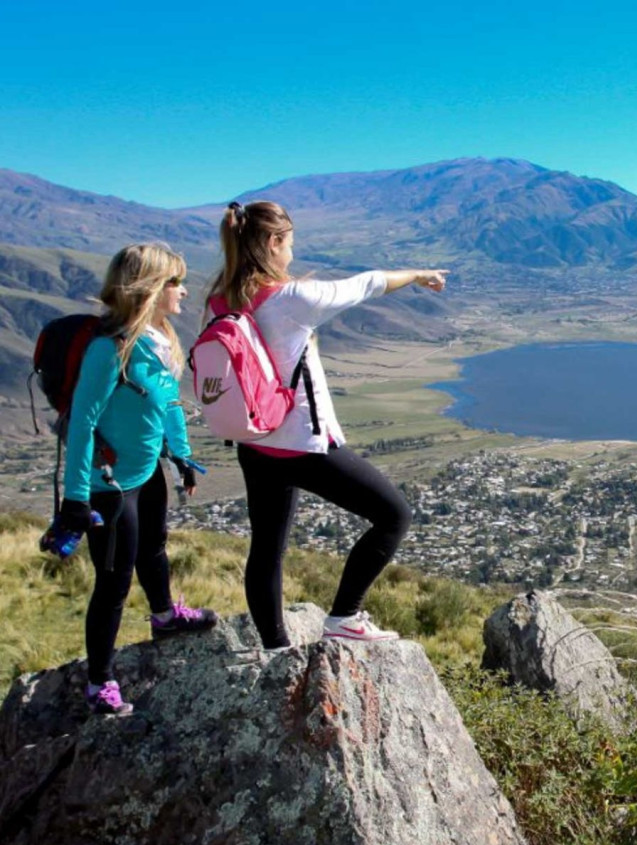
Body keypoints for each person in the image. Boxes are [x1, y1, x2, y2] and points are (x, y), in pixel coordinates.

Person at [209, 200, 448, 650]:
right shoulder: (295, 299)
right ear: (274, 242)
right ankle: (344, 616)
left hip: (253, 441)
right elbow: (369, 284)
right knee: (394, 515)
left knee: (267, 549)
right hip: (300, 444)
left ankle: (275, 646)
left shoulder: (220, 298)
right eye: (290, 245)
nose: (292, 255)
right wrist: (418, 274)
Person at [59, 243, 218, 716]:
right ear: (149, 289)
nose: (184, 290)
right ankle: (99, 682)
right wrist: (74, 498)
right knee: (113, 582)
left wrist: (183, 457)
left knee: (154, 547)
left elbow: (168, 404)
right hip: (107, 486)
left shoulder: (159, 340)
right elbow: (82, 423)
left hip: (146, 472)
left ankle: (165, 616)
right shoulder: (108, 351)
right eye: (174, 282)